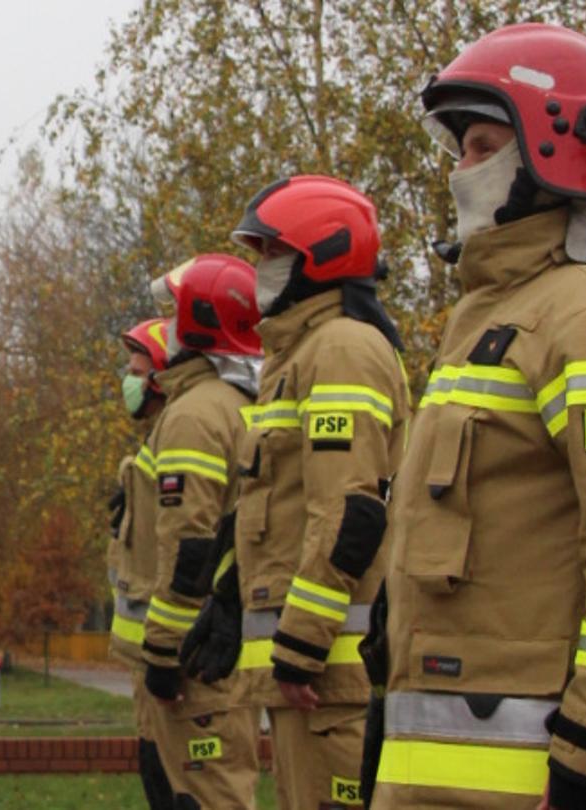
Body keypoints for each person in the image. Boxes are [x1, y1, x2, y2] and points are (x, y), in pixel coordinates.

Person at [369, 23, 586, 810]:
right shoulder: (491, 318)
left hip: (533, 777)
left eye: (484, 146)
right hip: (440, 773)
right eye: (462, 149)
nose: (462, 170)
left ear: (557, 148)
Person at [215, 175, 411, 808]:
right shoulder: (301, 355)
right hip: (310, 674)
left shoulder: (342, 351)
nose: (258, 269)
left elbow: (349, 510)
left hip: (329, 674)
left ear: (319, 257)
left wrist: (302, 642)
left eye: (271, 253)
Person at [134, 256, 265, 809]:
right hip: (221, 642)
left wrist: (164, 653)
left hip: (196, 661)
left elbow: (191, 546)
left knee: (206, 795)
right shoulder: (239, 405)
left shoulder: (194, 416)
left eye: (173, 313)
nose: (164, 326)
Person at [107, 316, 176, 809]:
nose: (128, 382)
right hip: (147, 661)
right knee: (155, 775)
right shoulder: (155, 440)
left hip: (168, 657)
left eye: (136, 370)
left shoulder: (180, 435)